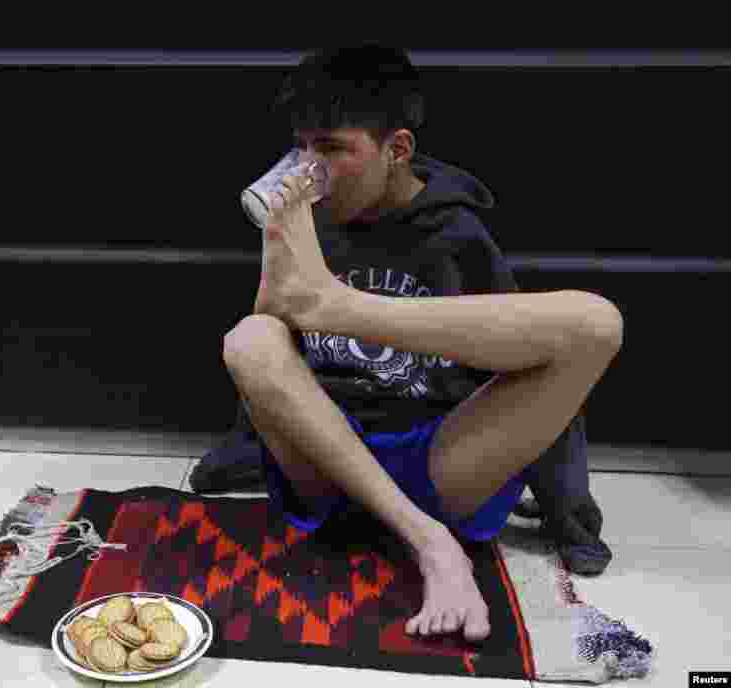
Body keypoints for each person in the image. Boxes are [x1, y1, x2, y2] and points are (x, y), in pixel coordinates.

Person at [221, 44, 624, 643]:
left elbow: (530, 372)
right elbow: (269, 359)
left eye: (332, 148)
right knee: (250, 337)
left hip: (437, 462)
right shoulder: (303, 211)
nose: (311, 167)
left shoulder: (455, 233)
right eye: (302, 146)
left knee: (596, 322)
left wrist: (570, 513)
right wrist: (238, 451)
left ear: (397, 149)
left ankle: (342, 307)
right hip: (329, 462)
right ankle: (430, 545)